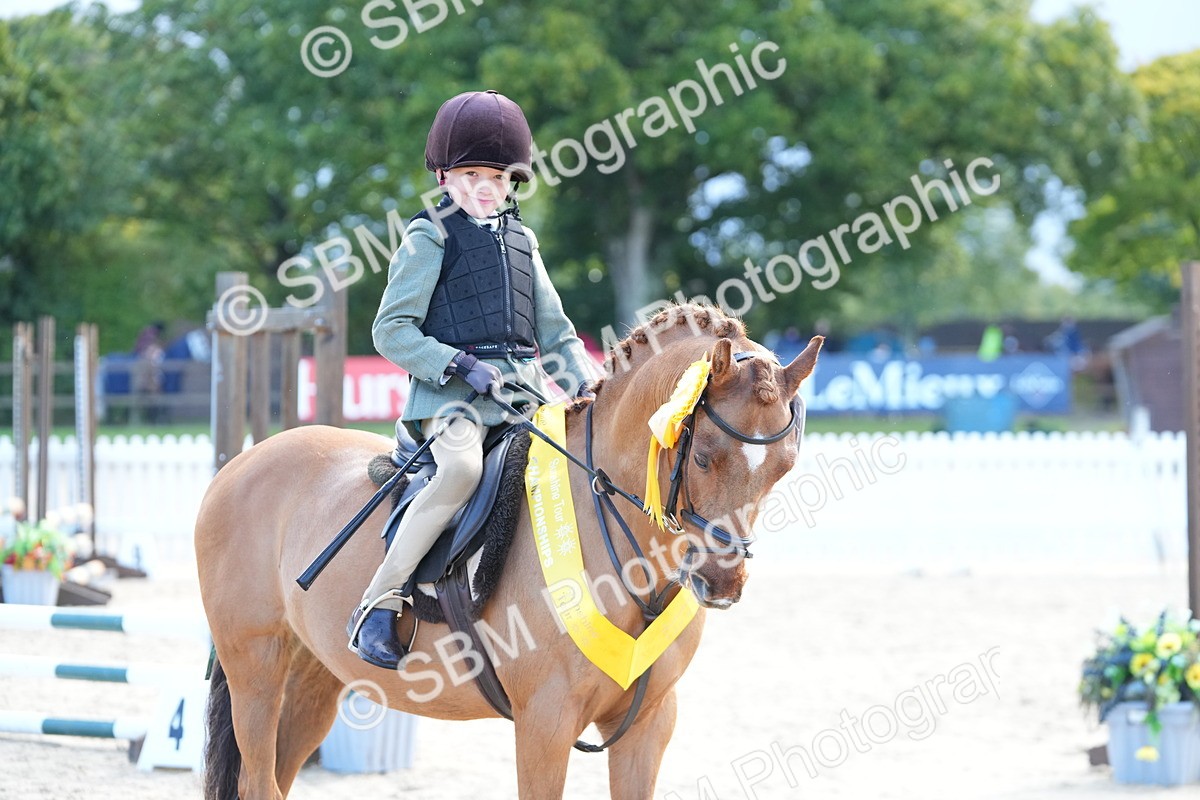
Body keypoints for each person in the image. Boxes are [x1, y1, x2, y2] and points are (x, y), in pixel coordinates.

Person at [348, 90, 600, 669]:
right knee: (461, 470)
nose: (486, 187)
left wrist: (586, 388)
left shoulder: (522, 241)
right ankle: (378, 603)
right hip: (451, 401)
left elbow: (556, 334)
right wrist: (460, 365)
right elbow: (391, 330)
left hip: (522, 396)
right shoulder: (429, 235)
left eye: (497, 175)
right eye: (470, 174)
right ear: (443, 175)